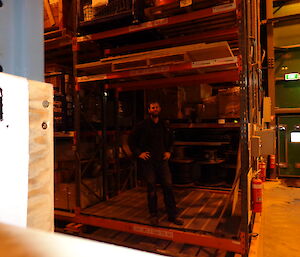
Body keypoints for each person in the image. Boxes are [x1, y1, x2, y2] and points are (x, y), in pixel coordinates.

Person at [129, 101, 183, 226]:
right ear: (149, 110)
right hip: (149, 162)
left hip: (162, 161)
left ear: (160, 109)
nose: (155, 109)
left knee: (168, 187)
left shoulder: (164, 125)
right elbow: (131, 140)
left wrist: (169, 151)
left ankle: (172, 215)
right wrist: (139, 153)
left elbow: (171, 140)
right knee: (151, 187)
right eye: (152, 108)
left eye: (157, 107)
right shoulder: (142, 125)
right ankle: (153, 215)